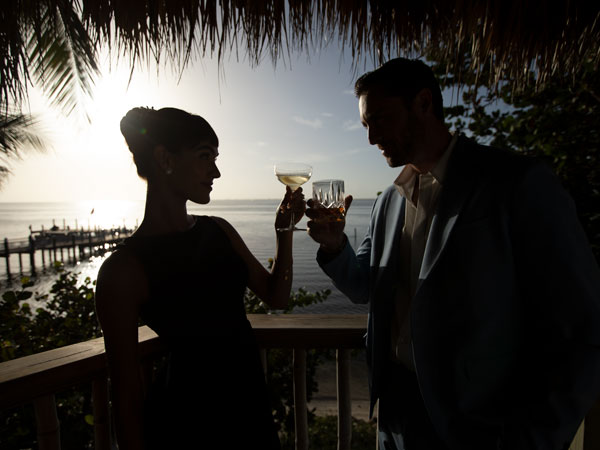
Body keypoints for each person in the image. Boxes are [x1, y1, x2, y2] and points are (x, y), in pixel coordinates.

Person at [306, 58, 600, 449]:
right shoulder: (388, 202)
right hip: (395, 416)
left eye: (381, 118)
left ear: (424, 103)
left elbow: (579, 329)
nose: (372, 137)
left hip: (480, 424)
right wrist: (334, 246)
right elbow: (364, 286)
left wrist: (537, 439)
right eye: (365, 125)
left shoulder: (516, 183)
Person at [95, 107, 304, 449]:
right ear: (166, 158)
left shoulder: (218, 230)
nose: (217, 171)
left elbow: (276, 296)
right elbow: (126, 392)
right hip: (186, 423)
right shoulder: (123, 271)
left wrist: (284, 231)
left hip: (250, 410)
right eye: (205, 156)